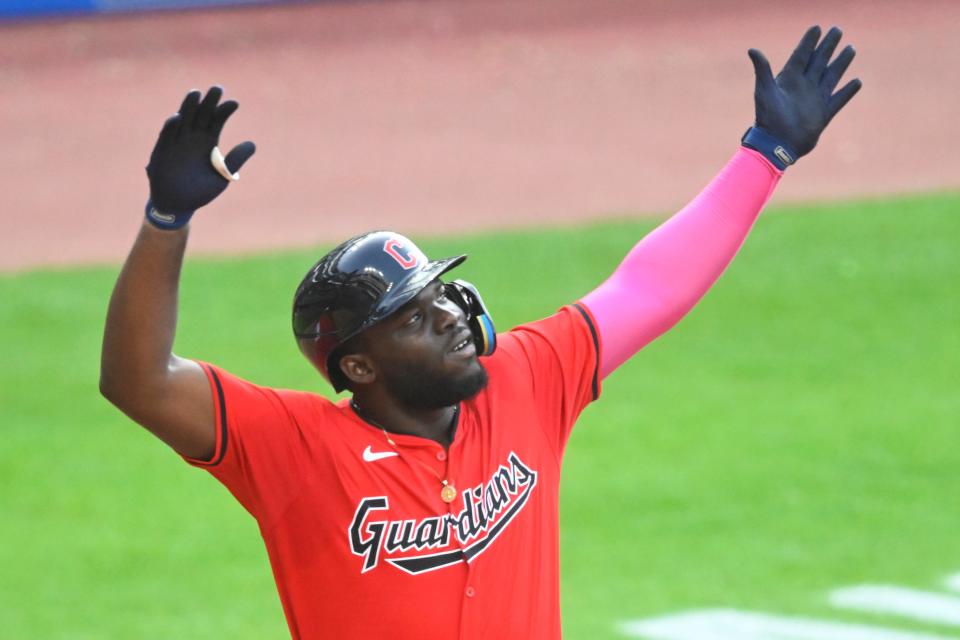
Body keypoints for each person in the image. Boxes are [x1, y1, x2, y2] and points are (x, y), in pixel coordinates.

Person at [100, 25, 861, 640]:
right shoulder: (297, 452)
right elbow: (139, 382)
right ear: (359, 366)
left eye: (441, 292)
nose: (450, 316)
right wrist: (167, 222)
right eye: (414, 314)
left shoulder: (525, 380)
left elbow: (649, 288)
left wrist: (766, 155)